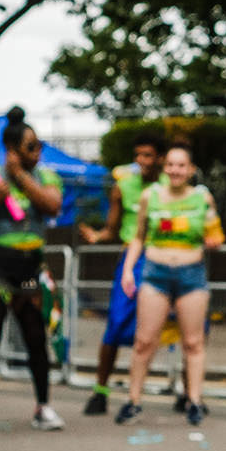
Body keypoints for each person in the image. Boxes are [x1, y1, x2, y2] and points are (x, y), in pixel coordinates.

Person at [0, 106, 65, 431]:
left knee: (36, 335)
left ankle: (43, 407)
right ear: (12, 149)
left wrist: (20, 176)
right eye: (31, 146)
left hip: (30, 266)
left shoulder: (45, 176)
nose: (38, 152)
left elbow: (51, 205)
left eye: (39, 146)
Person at [116, 140, 219, 426]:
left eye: (181, 165)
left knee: (193, 342)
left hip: (191, 275)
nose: (175, 170)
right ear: (165, 167)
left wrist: (214, 241)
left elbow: (216, 234)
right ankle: (133, 401)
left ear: (191, 169)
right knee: (144, 341)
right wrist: (127, 270)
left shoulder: (203, 198)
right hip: (155, 273)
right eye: (171, 164)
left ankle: (195, 401)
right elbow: (138, 236)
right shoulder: (151, 196)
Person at [78, 129, 164, 415]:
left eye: (147, 155)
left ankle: (189, 396)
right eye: (137, 155)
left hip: (165, 260)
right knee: (115, 324)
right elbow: (112, 230)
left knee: (183, 327)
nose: (141, 160)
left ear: (160, 159)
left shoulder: (171, 185)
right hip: (133, 262)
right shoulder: (123, 186)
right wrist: (97, 236)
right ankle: (100, 391)